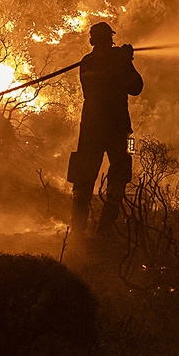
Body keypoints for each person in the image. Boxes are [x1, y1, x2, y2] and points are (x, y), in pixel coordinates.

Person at [67, 21, 143, 235]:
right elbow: (136, 87)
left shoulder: (86, 63)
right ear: (110, 39)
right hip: (120, 127)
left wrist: (121, 59)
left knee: (83, 177)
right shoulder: (118, 61)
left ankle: (77, 230)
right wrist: (127, 60)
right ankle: (106, 227)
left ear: (92, 40)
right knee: (121, 170)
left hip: (90, 128)